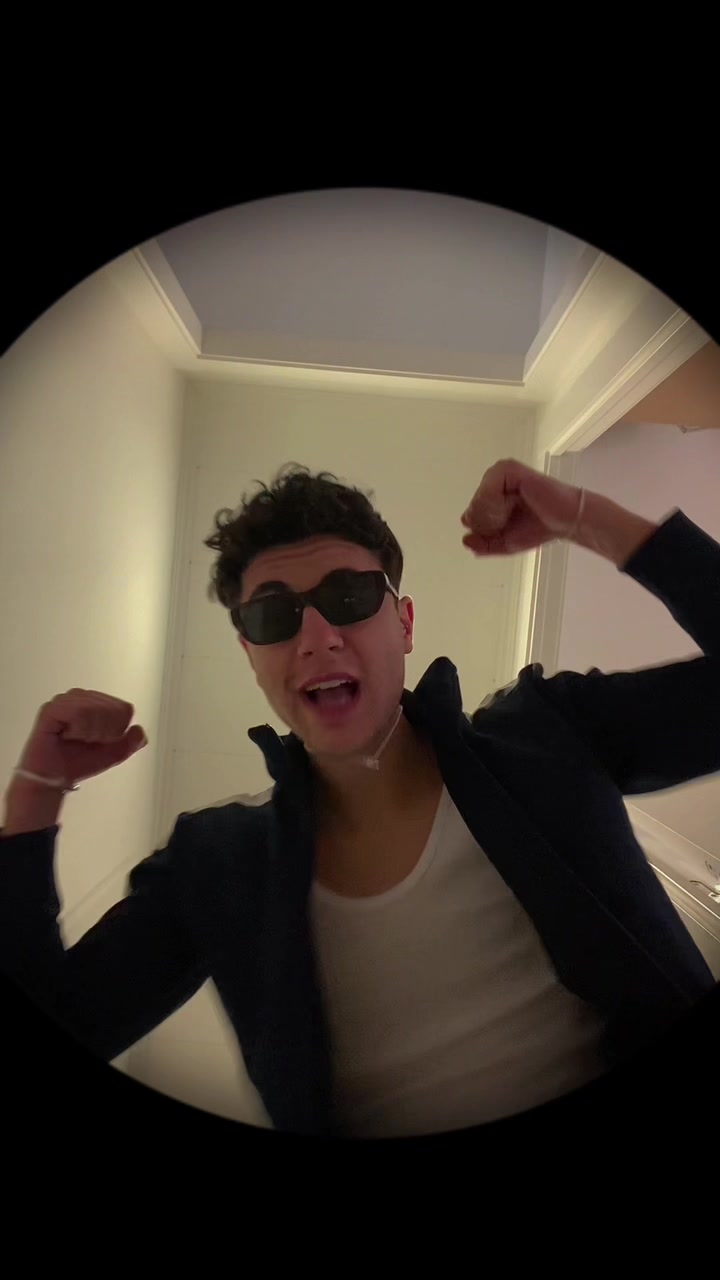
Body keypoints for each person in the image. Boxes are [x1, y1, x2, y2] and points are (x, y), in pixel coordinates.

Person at [0, 458, 717, 1139]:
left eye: (349, 597)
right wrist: (35, 794)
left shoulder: (547, 736)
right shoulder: (216, 865)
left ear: (404, 625)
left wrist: (589, 517)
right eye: (273, 617)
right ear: (251, 654)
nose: (317, 638)